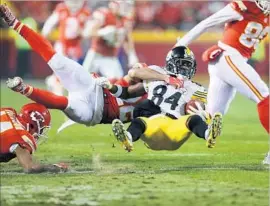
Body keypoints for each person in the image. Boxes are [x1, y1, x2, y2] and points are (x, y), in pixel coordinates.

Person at [0, 4, 181, 131]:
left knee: (65, 103)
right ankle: (15, 23)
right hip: (94, 86)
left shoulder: (162, 105)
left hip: (95, 114)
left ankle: (24, 89)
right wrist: (165, 78)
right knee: (56, 59)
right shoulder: (147, 79)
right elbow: (134, 75)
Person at [98, 46, 223, 152]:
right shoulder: (156, 74)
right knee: (141, 117)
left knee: (194, 119)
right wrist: (111, 87)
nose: (186, 68)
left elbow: (208, 107)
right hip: (153, 124)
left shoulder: (195, 87)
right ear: (172, 63)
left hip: (176, 125)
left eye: (188, 65)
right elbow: (129, 86)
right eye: (183, 64)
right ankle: (127, 138)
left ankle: (209, 134)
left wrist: (202, 112)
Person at [175, 0, 269, 134]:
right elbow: (207, 23)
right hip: (229, 57)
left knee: (211, 116)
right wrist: (181, 44)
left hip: (230, 61)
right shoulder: (243, 6)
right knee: (264, 95)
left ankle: (179, 121)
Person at [0, 103, 68, 173]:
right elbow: (30, 168)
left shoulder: (8, 111)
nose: (40, 133)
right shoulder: (21, 136)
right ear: (32, 125)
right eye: (41, 129)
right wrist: (53, 167)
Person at [42, 0, 91, 95]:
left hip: (75, 46)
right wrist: (46, 31)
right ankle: (57, 92)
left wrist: (84, 32)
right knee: (60, 68)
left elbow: (88, 29)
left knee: (71, 71)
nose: (74, 4)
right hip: (62, 44)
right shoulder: (61, 9)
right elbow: (51, 21)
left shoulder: (85, 12)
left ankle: (52, 81)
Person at [82, 0, 138, 80]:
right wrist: (102, 32)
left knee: (117, 84)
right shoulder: (104, 15)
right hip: (96, 54)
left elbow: (127, 38)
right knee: (84, 80)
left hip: (111, 57)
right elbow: (87, 33)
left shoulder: (126, 19)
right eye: (124, 5)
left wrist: (131, 54)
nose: (126, 8)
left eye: (128, 6)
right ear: (114, 5)